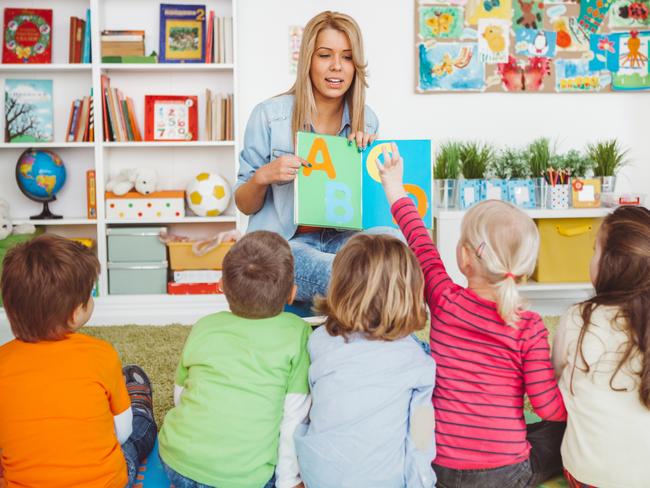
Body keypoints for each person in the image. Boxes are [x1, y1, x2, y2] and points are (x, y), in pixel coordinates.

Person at [376, 144, 567, 488]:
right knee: (555, 431)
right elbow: (546, 405)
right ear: (524, 267)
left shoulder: (444, 300)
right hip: (506, 474)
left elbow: (420, 241)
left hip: (440, 467)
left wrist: (394, 187)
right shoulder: (529, 327)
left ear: (464, 256)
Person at [235, 10, 396, 302]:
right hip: (286, 244)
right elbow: (244, 204)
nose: (337, 67)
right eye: (325, 55)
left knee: (395, 248)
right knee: (346, 275)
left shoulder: (367, 121)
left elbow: (370, 210)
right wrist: (263, 177)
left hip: (341, 237)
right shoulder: (270, 116)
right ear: (308, 59)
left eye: (347, 57)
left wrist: (371, 162)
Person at [158, 231, 312, 488]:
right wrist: (288, 481)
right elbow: (293, 418)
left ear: (222, 285)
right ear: (292, 293)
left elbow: (181, 393)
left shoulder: (204, 326)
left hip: (176, 462)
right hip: (244, 480)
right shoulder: (298, 334)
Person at [0, 235, 156, 488]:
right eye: (89, 294)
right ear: (75, 312)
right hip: (105, 483)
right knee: (137, 432)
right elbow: (123, 432)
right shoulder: (100, 353)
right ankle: (140, 407)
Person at [295, 233, 437, 488]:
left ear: (338, 287)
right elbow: (421, 437)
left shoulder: (319, 341)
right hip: (382, 481)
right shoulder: (416, 360)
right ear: (410, 293)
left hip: (317, 475)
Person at [552, 206, 650, 488]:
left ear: (612, 264)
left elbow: (555, 379)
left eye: (594, 250)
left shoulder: (578, 318)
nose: (591, 258)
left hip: (587, 478)